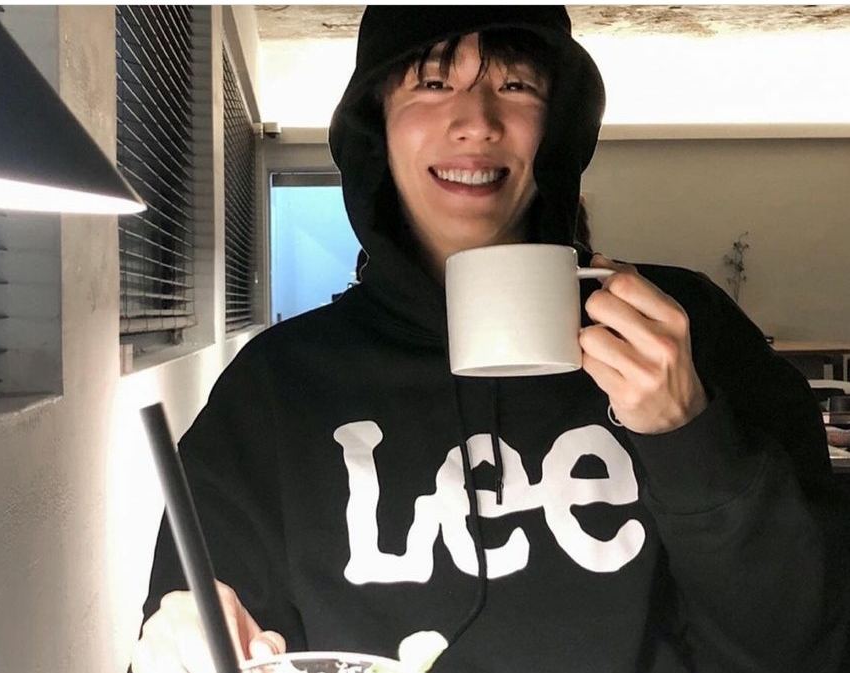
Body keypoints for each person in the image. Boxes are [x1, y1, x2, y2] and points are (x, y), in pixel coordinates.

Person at [133, 7, 849, 673]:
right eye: (432, 83)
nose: (476, 122)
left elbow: (801, 643)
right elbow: (206, 625)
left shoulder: (684, 331)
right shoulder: (278, 384)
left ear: (556, 128)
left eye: (515, 85)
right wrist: (182, 639)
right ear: (377, 124)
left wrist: (686, 433)